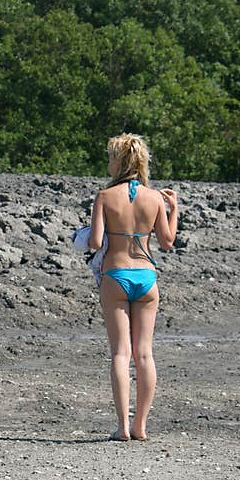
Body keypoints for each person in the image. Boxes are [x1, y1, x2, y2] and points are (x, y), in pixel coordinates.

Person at [87, 133, 178, 442]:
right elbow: (166, 243)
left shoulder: (104, 196)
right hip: (147, 277)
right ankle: (141, 425)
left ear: (121, 161)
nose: (109, 163)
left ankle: (122, 428)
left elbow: (95, 242)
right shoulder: (154, 198)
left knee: (120, 354)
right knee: (145, 354)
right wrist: (173, 209)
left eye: (111, 158)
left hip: (116, 276)